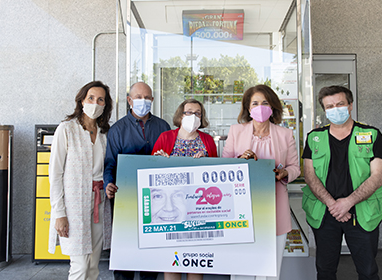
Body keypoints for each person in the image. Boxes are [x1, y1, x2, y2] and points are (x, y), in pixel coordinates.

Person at [302, 85, 382, 280]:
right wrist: (333, 205)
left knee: (368, 271)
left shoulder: (371, 135)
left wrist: (347, 202)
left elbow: (377, 177)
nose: (335, 109)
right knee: (325, 271)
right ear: (324, 110)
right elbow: (309, 175)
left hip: (362, 213)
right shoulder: (314, 138)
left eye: (340, 104)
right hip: (325, 214)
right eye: (330, 106)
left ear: (350, 105)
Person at [222, 84, 300, 279]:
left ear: (272, 106)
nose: (260, 107)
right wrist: (239, 162)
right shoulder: (236, 131)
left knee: (270, 268)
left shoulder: (285, 134)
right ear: (248, 108)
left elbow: (295, 167)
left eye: (265, 102)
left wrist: (284, 173)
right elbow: (223, 166)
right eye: (255, 103)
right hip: (241, 207)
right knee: (242, 268)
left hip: (274, 207)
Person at [104, 81, 170, 280]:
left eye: (148, 97)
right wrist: (108, 183)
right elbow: (110, 163)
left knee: (151, 253)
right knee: (126, 250)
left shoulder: (163, 126)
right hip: (126, 199)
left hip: (156, 199)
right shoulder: (117, 130)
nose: (143, 101)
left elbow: (171, 160)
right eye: (139, 97)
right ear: (129, 100)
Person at [48, 81, 113, 280]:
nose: (95, 102)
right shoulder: (67, 129)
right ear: (81, 100)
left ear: (105, 105)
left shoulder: (105, 133)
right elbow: (55, 174)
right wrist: (59, 213)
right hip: (74, 207)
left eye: (100, 99)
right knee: (80, 266)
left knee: (93, 265)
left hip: (100, 204)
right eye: (91, 98)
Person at [152, 98, 218, 280]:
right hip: (171, 211)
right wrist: (161, 160)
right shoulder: (165, 138)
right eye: (189, 112)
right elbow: (150, 174)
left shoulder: (208, 141)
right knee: (172, 261)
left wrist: (206, 163)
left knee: (195, 262)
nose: (193, 116)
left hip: (199, 211)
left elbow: (217, 175)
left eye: (198, 113)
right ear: (181, 115)